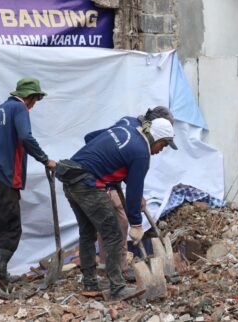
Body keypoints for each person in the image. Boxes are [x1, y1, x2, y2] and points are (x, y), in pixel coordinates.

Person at [56, 117, 177, 301]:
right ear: (157, 139)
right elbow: (134, 193)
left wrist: (111, 171)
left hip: (71, 177)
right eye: (164, 145)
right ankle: (117, 289)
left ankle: (90, 282)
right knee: (112, 234)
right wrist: (136, 224)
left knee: (87, 232)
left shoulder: (126, 128)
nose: (161, 150)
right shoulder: (141, 153)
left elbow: (91, 137)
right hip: (88, 184)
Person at [0, 77, 57, 298]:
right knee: (11, 230)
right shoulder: (19, 108)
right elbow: (25, 137)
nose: (34, 104)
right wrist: (45, 159)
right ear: (30, 97)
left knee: (0, 232)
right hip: (3, 175)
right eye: (36, 99)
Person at [85, 106, 175, 282]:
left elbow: (92, 138)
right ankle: (116, 269)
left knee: (117, 219)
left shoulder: (129, 123)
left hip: (102, 179)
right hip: (94, 180)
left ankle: (113, 267)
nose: (161, 148)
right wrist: (105, 169)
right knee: (118, 220)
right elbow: (93, 140)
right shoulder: (137, 141)